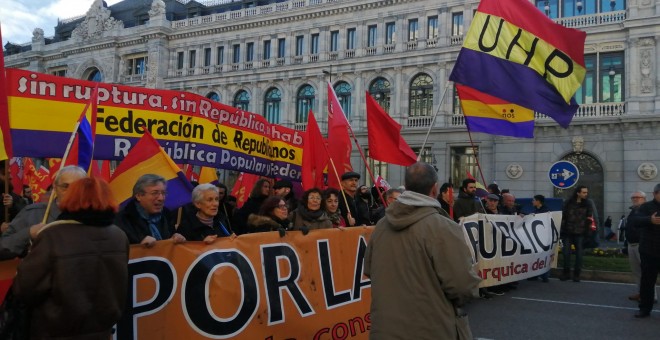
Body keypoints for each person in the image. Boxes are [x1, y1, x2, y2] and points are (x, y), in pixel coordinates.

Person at [365, 162, 481, 339]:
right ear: (434, 189)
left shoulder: (381, 226)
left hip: (386, 328)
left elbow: (370, 270)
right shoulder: (443, 227)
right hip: (431, 328)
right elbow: (462, 286)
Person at [13, 176, 129, 339]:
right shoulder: (119, 235)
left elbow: (25, 289)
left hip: (56, 332)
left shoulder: (53, 235)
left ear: (72, 198)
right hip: (102, 332)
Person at [0, 165, 87, 260]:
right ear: (55, 187)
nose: (71, 192)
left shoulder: (95, 219)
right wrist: (28, 233)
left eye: (77, 187)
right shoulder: (32, 213)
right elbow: (3, 246)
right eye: (65, 186)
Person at [115, 174, 186, 247]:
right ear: (139, 196)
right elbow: (117, 252)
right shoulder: (122, 219)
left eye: (163, 193)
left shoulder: (166, 215)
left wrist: (175, 237)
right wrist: (139, 246)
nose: (161, 198)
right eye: (154, 193)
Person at [632, 184, 660, 318]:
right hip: (649, 250)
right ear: (655, 194)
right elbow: (636, 221)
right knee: (647, 281)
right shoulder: (646, 207)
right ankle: (644, 308)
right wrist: (650, 220)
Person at [560, 185, 593, 282]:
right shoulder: (568, 202)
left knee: (579, 254)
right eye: (584, 192)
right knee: (566, 253)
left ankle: (577, 275)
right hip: (568, 232)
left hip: (580, 233)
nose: (586, 194)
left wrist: (588, 231)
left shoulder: (588, 204)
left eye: (586, 192)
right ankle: (566, 273)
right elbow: (563, 216)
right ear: (578, 193)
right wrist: (562, 229)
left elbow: (589, 218)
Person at [625, 191, 648, 302]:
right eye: (633, 197)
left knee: (647, 272)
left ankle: (650, 296)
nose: (634, 199)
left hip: (642, 244)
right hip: (631, 244)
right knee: (637, 272)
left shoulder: (647, 210)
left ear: (644, 199)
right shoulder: (633, 211)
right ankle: (641, 293)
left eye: (637, 197)